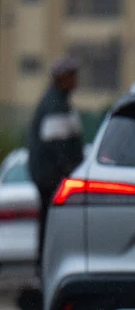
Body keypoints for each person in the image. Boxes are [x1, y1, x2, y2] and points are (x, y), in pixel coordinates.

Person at [27, 57, 85, 267]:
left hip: (49, 174)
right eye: (72, 76)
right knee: (52, 221)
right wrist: (72, 171)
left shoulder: (59, 102)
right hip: (51, 176)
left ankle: (45, 264)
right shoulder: (55, 104)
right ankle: (46, 265)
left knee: (50, 220)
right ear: (62, 78)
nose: (76, 80)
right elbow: (58, 145)